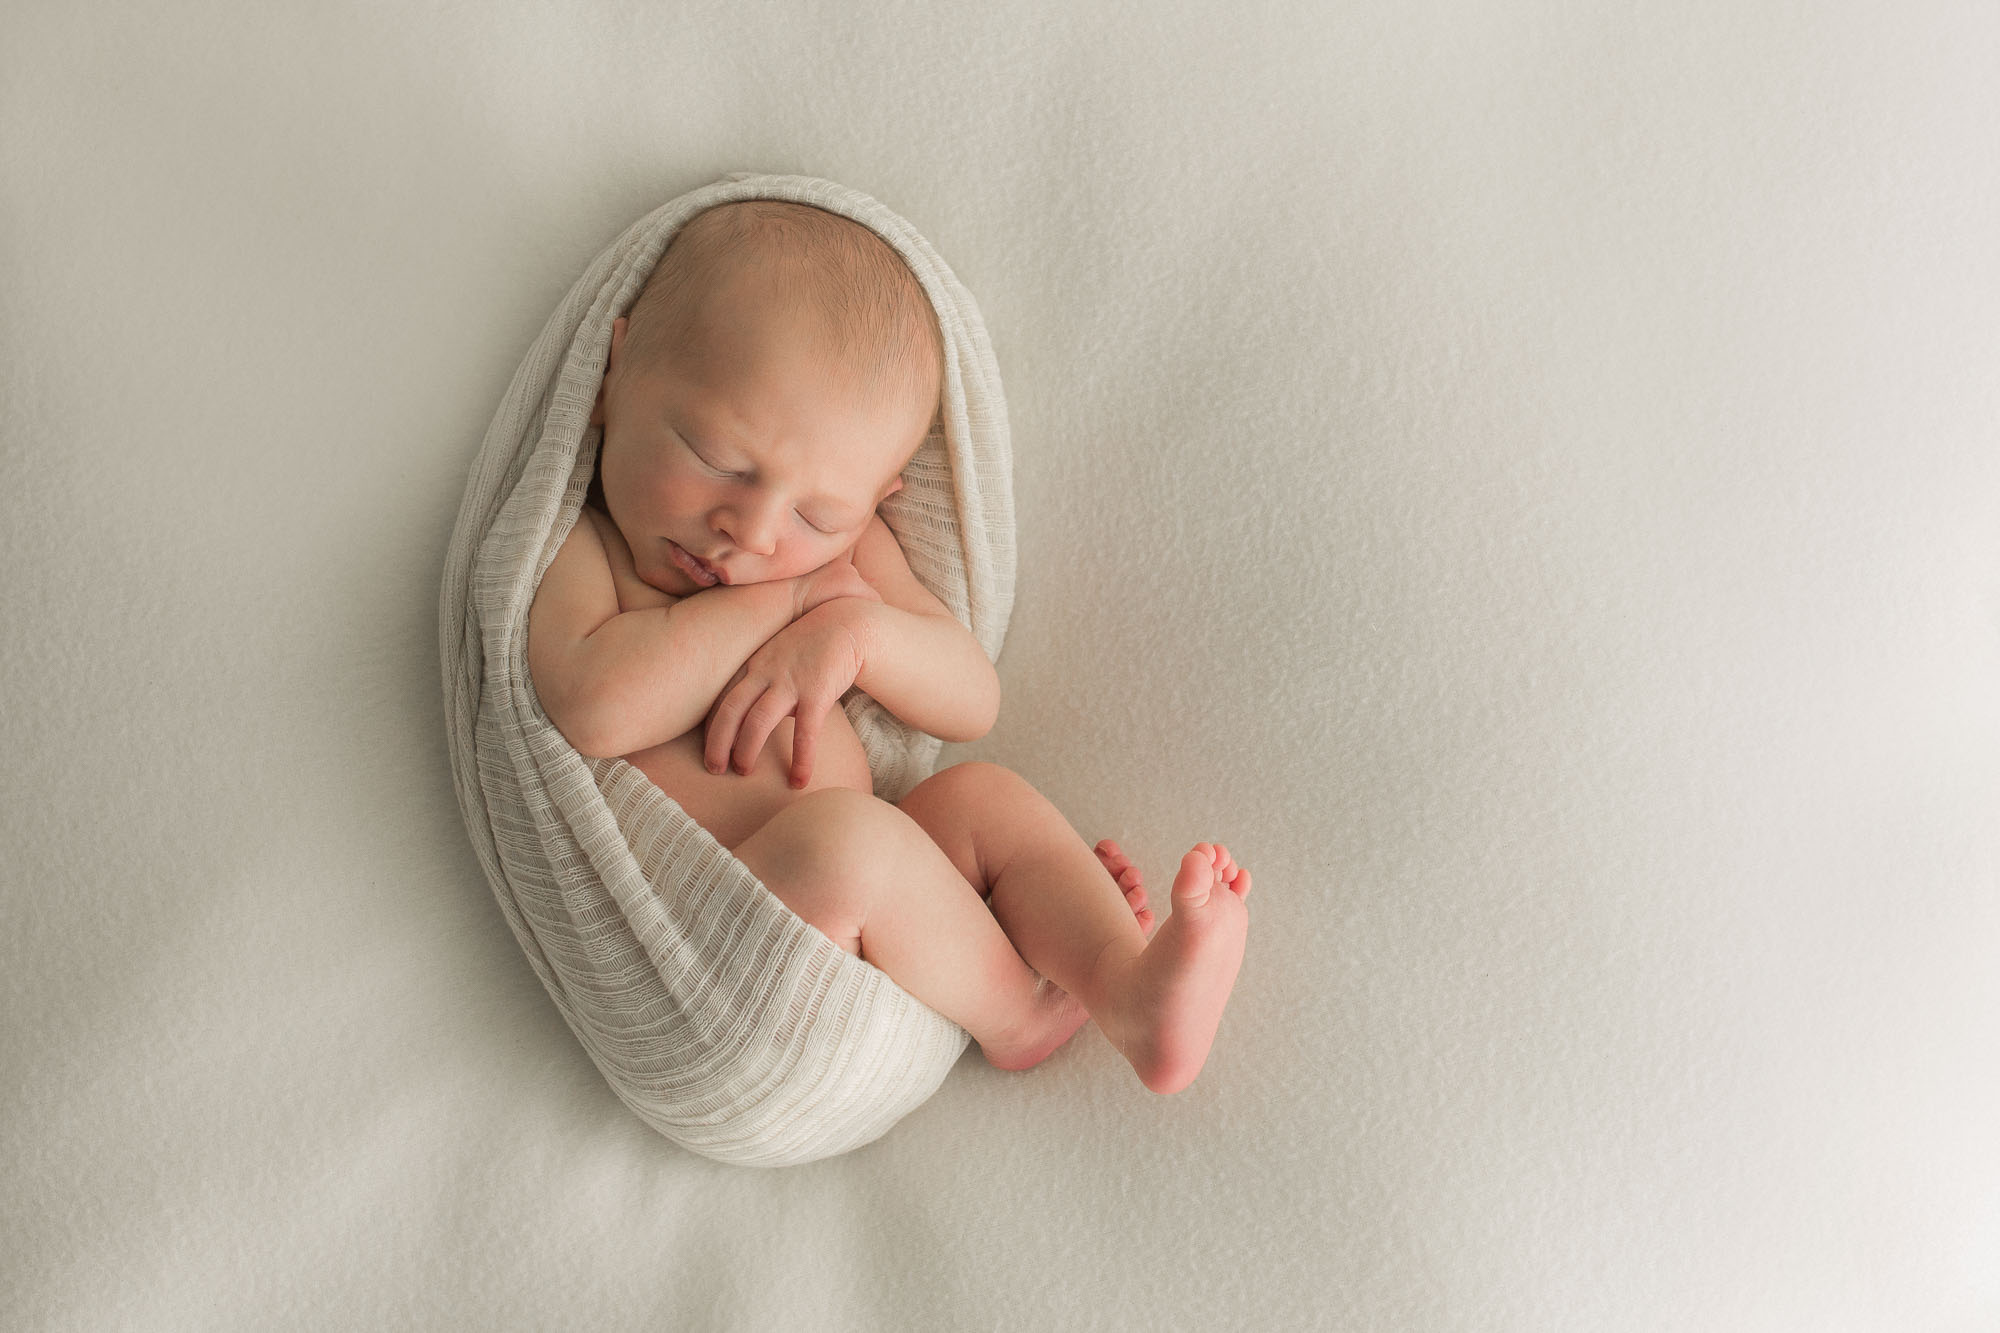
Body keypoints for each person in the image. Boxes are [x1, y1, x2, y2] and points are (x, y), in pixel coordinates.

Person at [526, 200, 1249, 1093]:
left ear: (873, 501)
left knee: (978, 797)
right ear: (616, 369)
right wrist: (786, 598)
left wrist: (858, 634)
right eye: (716, 457)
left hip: (860, 910)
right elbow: (594, 705)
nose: (749, 530)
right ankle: (1018, 1009)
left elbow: (970, 698)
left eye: (815, 512)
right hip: (715, 952)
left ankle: (1123, 983)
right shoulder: (583, 548)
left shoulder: (847, 559)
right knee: (850, 844)